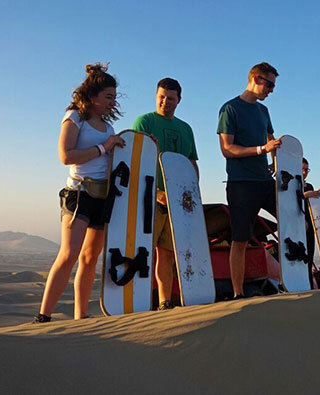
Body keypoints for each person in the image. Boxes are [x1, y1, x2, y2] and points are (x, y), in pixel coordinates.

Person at [34, 63, 126, 323]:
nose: (111, 102)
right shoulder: (74, 116)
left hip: (103, 194)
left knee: (90, 257)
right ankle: (44, 315)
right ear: (93, 95)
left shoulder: (108, 128)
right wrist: (104, 147)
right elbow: (66, 155)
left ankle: (81, 317)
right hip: (79, 192)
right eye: (108, 97)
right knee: (69, 254)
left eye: (114, 98)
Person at [217, 62, 282, 299]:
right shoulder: (230, 109)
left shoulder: (263, 112)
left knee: (294, 223)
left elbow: (271, 139)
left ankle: (291, 278)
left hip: (264, 181)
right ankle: (238, 293)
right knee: (241, 238)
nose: (272, 90)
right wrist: (262, 150)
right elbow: (227, 149)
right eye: (269, 84)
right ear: (255, 78)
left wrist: (274, 159)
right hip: (241, 183)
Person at [132, 78, 198, 311]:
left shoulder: (185, 129)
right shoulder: (145, 122)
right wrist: (158, 192)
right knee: (142, 252)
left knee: (167, 255)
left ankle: (164, 302)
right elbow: (136, 160)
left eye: (170, 98)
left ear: (178, 100)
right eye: (161, 96)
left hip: (178, 203)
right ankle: (137, 302)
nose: (165, 101)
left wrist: (192, 193)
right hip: (149, 198)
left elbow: (191, 162)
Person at [302, 157, 320, 288]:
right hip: (296, 226)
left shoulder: (309, 186)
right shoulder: (290, 184)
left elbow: (314, 203)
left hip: (310, 226)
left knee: (309, 256)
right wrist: (306, 194)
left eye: (307, 170)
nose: (305, 172)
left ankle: (309, 285)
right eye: (303, 169)